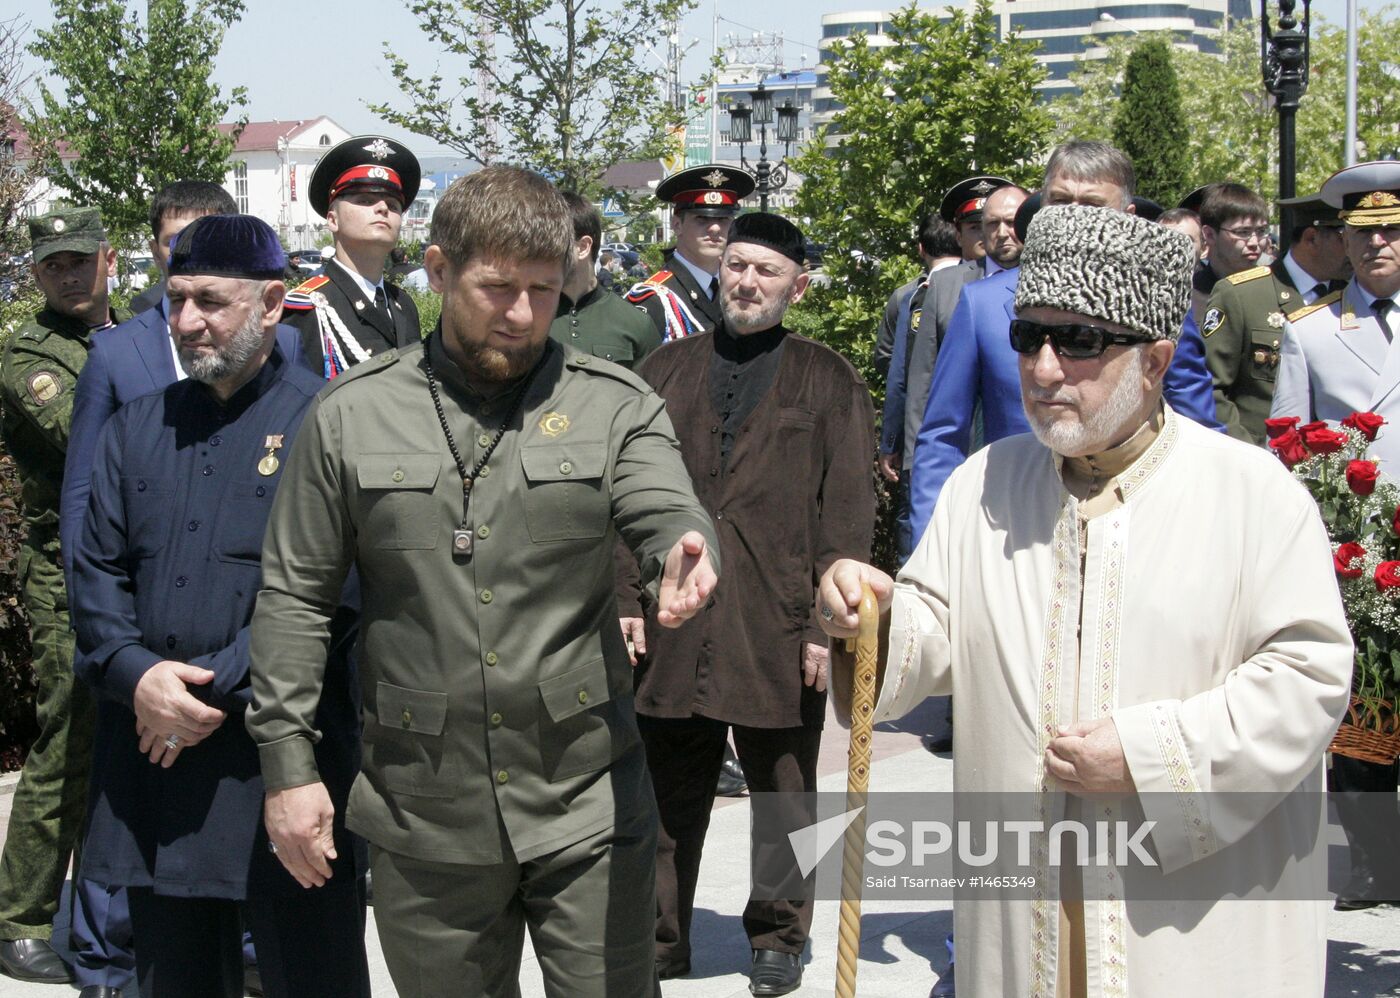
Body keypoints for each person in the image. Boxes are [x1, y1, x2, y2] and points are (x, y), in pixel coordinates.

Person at [819, 203, 1351, 997]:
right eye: (1029, 335)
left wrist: (1147, 757)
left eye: (1081, 342)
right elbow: (928, 635)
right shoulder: (984, 486)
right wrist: (874, 615)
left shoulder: (1251, 496)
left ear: (1156, 359)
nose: (1043, 369)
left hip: (1189, 919)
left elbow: (1308, 678)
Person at [245, 166, 719, 998]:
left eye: (543, 289)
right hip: (423, 813)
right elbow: (295, 598)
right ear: (436, 271)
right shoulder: (349, 415)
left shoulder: (613, 403)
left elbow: (662, 503)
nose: (524, 314)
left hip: (587, 802)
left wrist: (680, 551)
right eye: (497, 288)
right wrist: (288, 767)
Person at [70, 215, 367, 998]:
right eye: (175, 300)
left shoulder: (329, 424)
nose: (187, 321)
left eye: (211, 300)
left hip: (278, 764)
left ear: (273, 303)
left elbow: (336, 594)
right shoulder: (138, 426)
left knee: (313, 977)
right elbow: (93, 571)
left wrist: (197, 690)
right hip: (154, 765)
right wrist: (138, 676)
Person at [618, 212, 875, 997]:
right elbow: (623, 493)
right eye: (736, 266)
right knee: (665, 795)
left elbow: (850, 512)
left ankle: (778, 934)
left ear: (797, 284)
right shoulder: (665, 370)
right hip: (677, 616)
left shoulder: (827, 378)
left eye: (766, 270)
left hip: (780, 617)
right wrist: (627, 594)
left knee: (786, 793)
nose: (747, 282)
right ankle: (661, 936)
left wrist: (823, 626)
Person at [909, 140, 1223, 543]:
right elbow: (942, 437)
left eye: (1092, 205)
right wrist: (930, 549)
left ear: (1126, 216)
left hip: (1137, 529)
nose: (1073, 219)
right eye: (1059, 202)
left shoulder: (1157, 304)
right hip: (1014, 525)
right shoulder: (982, 304)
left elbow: (1196, 423)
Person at [1270, 161, 1400, 910]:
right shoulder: (1311, 335)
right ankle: (1379, 856)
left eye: (1390, 230)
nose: (1376, 243)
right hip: (1359, 558)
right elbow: (1286, 451)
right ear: (1341, 243)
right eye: (1362, 232)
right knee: (1361, 721)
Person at [0, 207, 124, 989]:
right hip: (64, 572)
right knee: (68, 739)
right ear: (36, 275)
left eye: (80, 260)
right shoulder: (27, 355)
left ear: (108, 259)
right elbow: (90, 434)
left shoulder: (149, 327)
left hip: (142, 561)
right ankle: (20, 918)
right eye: (54, 266)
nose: (70, 276)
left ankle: (115, 906)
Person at [893, 181, 1025, 557]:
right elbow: (921, 379)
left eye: (1012, 222)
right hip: (959, 458)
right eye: (990, 223)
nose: (1002, 233)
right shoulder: (951, 287)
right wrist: (911, 460)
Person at [1203, 192, 1351, 443]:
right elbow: (1210, 388)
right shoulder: (1242, 294)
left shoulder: (1350, 295)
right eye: (1344, 237)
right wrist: (1249, 453)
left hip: (1335, 463)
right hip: (1261, 457)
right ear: (1311, 238)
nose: (1353, 246)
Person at [282, 134, 422, 376]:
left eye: (393, 205)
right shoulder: (307, 309)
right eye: (365, 200)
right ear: (332, 219)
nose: (382, 208)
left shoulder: (403, 304)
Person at [626, 163, 755, 341]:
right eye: (702, 218)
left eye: (724, 219)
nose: (715, 228)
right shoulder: (654, 300)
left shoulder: (738, 289)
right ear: (677, 225)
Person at [550, 192, 661, 368]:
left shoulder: (635, 324)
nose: (537, 253)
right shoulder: (528, 318)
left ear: (583, 247)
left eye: (549, 243)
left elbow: (653, 389)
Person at [127, 182, 238, 316]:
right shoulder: (129, 326)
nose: (190, 253)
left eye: (205, 240)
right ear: (156, 253)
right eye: (176, 242)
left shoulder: (264, 330)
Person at [874, 212, 960, 385]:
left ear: (921, 249)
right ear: (960, 239)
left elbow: (885, 356)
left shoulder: (904, 295)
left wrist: (914, 383)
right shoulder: (980, 287)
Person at [1191, 183, 1271, 326]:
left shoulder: (1274, 291)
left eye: (1261, 231)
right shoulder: (1189, 296)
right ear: (1209, 234)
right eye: (1242, 232)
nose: (1254, 242)